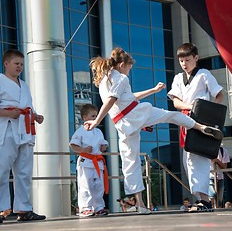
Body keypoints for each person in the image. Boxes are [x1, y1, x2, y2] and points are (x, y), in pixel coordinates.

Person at [85, 47, 221, 214]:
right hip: (136, 114)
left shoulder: (105, 80)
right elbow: (112, 100)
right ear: (121, 65)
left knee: (130, 162)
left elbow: (127, 97)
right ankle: (200, 127)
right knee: (170, 115)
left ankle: (140, 204)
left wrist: (153, 90)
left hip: (122, 123)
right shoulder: (120, 78)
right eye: (129, 68)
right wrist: (97, 121)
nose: (129, 71)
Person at [0, 49, 46, 224]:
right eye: (17, 64)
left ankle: (24, 209)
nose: (20, 67)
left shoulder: (24, 85)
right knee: (1, 170)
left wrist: (35, 116)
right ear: (6, 63)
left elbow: (27, 108)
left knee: (24, 172)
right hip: (6, 130)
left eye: (22, 64)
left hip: (25, 131)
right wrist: (7, 114)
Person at [168, 43, 224, 210]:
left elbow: (219, 95)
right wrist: (191, 106)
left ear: (196, 58)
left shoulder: (204, 74)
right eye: (181, 60)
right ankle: (201, 198)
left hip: (202, 120)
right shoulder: (178, 78)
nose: (184, 63)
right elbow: (176, 102)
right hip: (185, 118)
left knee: (198, 158)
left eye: (187, 59)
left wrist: (212, 113)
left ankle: (205, 199)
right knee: (188, 160)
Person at [70, 104, 109, 217]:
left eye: (96, 116)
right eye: (93, 116)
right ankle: (85, 208)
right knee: (86, 185)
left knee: (98, 186)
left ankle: (99, 207)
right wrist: (84, 149)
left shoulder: (98, 132)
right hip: (86, 162)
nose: (95, 118)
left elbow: (103, 144)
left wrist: (103, 147)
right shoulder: (80, 131)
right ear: (85, 118)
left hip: (98, 162)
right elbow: (73, 146)